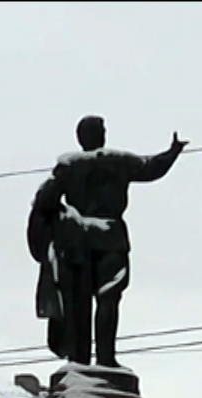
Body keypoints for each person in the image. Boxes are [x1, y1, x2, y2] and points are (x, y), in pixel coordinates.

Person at [28, 117, 186, 366]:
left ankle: (79, 360)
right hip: (111, 238)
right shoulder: (119, 162)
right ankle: (106, 359)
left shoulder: (68, 166)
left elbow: (43, 200)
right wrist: (173, 152)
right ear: (101, 136)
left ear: (81, 139)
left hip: (78, 242)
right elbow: (151, 168)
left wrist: (56, 221)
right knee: (109, 298)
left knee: (79, 302)